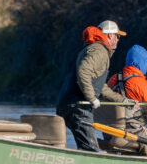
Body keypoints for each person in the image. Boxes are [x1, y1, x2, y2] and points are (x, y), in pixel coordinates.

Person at [56, 20, 133, 152]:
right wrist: (92, 98)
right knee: (91, 150)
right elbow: (83, 71)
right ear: (110, 35)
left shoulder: (92, 49)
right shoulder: (99, 50)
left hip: (67, 104)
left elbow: (100, 86)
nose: (118, 40)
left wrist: (123, 101)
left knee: (85, 147)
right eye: (117, 36)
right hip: (79, 106)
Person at [107, 44, 147, 155]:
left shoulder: (113, 79)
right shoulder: (144, 85)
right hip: (132, 132)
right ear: (143, 63)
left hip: (109, 132)